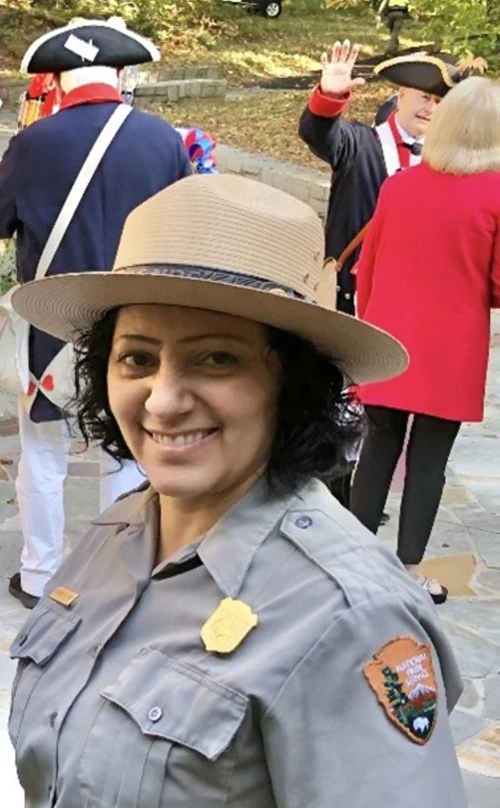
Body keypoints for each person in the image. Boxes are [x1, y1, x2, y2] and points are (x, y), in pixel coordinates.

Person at [10, 173, 467, 807]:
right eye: (137, 358)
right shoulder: (119, 533)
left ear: (294, 386)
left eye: (217, 359)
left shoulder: (350, 619)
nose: (163, 401)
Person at [0, 19, 192, 610]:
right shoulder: (163, 140)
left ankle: (38, 576)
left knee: (44, 450)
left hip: (51, 323)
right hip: (137, 324)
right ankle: (118, 573)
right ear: (122, 75)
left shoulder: (32, 143)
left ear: (57, 80)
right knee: (128, 447)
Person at [350, 76, 500, 604]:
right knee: (430, 459)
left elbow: (367, 270)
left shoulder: (400, 185)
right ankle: (410, 569)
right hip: (450, 349)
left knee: (377, 449)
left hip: (388, 339)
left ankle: (351, 561)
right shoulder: (496, 192)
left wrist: (365, 333)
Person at [299, 42, 472, 316]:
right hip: (349, 300)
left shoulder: (449, 166)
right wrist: (330, 96)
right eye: (424, 97)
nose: (430, 109)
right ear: (401, 95)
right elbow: (318, 134)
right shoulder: (359, 144)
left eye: (440, 103)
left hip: (414, 303)